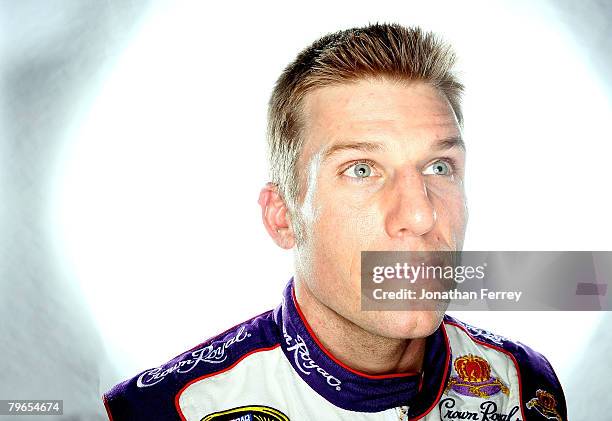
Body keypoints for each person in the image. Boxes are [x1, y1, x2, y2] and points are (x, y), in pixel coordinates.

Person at [103, 23, 566, 421]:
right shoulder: (168, 410)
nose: (421, 216)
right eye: (362, 169)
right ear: (283, 218)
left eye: (438, 167)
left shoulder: (522, 387)